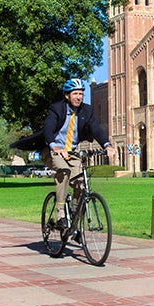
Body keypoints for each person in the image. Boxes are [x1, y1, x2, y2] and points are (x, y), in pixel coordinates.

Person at [43, 78, 115, 229]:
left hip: (72, 153)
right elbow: (48, 130)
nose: (79, 97)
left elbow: (96, 129)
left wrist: (107, 145)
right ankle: (61, 212)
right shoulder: (56, 109)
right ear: (67, 95)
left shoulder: (86, 111)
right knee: (64, 171)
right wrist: (55, 147)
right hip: (54, 151)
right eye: (75, 93)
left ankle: (75, 216)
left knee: (82, 184)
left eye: (81, 94)